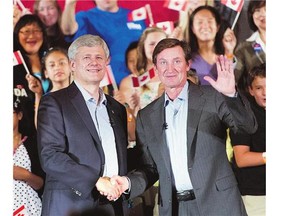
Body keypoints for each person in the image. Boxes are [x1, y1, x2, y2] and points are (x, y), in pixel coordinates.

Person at [101, 38, 258, 216]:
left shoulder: (213, 97)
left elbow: (247, 127)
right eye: (163, 62)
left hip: (218, 205)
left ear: (187, 64)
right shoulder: (147, 116)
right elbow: (150, 168)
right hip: (175, 208)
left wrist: (230, 94)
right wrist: (128, 184)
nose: (170, 69)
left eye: (176, 61)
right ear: (156, 68)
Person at [37, 34, 129, 216]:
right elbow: (50, 156)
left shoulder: (117, 108)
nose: (93, 62)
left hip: (112, 206)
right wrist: (95, 180)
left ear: (106, 63)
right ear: (73, 65)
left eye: (99, 57)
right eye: (86, 58)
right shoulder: (54, 102)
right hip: (71, 205)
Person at [61, 0, 146, 85]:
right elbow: (68, 30)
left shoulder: (134, 16)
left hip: (140, 82)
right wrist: (70, 4)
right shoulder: (86, 17)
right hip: (107, 86)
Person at [229, 63, 266, 216]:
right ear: (251, 90)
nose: (266, 93)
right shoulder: (243, 116)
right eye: (259, 88)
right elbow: (242, 158)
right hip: (257, 196)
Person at [188, 5, 237, 85]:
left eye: (210, 21)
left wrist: (229, 50)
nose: (205, 26)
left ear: (217, 27)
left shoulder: (226, 55)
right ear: (193, 28)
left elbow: (230, 83)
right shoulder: (187, 60)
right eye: (200, 22)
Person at [13, 96, 45, 216]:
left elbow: (41, 184)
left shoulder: (32, 144)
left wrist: (25, 175)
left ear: (19, 115)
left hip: (30, 209)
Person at [233, 0, 266, 95]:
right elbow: (233, 78)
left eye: (266, 9)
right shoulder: (244, 47)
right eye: (257, 10)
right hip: (256, 105)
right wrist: (229, 51)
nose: (262, 14)